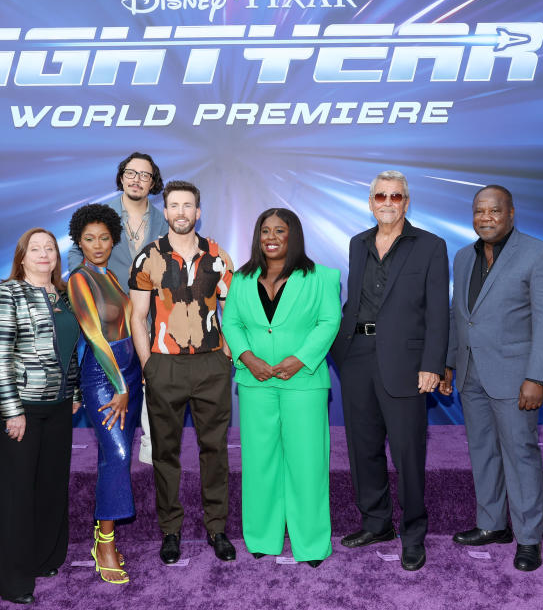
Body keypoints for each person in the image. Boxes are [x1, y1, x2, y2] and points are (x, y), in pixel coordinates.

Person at [438, 185, 543, 572]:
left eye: (494, 210)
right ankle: (492, 525)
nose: (486, 217)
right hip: (471, 373)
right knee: (482, 452)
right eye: (479, 211)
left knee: (520, 456)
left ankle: (528, 539)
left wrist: (537, 378)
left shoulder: (539, 254)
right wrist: (447, 363)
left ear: (511, 213)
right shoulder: (462, 257)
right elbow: (460, 314)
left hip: (516, 377)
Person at [330, 170, 449, 572]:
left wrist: (433, 364)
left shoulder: (431, 246)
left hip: (406, 362)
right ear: (370, 201)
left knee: (408, 453)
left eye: (396, 196)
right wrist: (341, 348)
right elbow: (356, 301)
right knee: (363, 450)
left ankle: (413, 533)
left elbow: (438, 311)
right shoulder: (358, 243)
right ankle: (376, 523)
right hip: (357, 355)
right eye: (380, 195)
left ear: (406, 202)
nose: (387, 202)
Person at [221, 208, 341, 567]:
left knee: (308, 463)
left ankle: (312, 543)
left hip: (303, 381)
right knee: (259, 463)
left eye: (279, 230)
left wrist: (301, 358)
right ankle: (261, 537)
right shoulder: (241, 279)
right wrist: (247, 357)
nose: (271, 237)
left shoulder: (322, 277)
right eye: (264, 231)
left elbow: (329, 321)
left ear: (294, 235)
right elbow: (232, 323)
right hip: (255, 382)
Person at [128, 180, 236, 564]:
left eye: (187, 205)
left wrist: (226, 356)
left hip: (211, 365)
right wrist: (149, 367)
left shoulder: (219, 257)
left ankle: (217, 528)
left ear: (198, 212)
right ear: (167, 211)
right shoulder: (148, 257)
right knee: (166, 453)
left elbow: (234, 314)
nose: (180, 212)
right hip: (165, 366)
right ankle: (170, 531)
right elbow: (137, 317)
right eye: (173, 205)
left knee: (215, 450)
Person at [0, 228, 82, 605]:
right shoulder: (5, 293)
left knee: (50, 486)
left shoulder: (66, 296)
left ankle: (45, 558)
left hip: (58, 407)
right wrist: (12, 410)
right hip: (20, 408)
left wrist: (73, 393)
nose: (44, 254)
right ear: (22, 256)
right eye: (35, 249)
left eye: (50, 248)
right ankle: (12, 579)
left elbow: (71, 350)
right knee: (17, 493)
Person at [67, 152, 168, 465]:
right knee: (112, 381)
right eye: (131, 172)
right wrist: (94, 290)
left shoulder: (163, 219)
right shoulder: (100, 213)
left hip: (152, 313)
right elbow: (75, 257)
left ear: (153, 182)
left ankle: (152, 448)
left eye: (145, 175)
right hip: (111, 318)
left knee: (154, 377)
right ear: (121, 176)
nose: (137, 179)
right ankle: (117, 451)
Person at [67, 204, 144, 584]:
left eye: (103, 238)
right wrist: (122, 386)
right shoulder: (79, 279)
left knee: (121, 454)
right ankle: (104, 540)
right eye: (88, 239)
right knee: (117, 452)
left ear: (113, 239)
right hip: (104, 375)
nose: (97, 245)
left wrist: (138, 375)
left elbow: (130, 323)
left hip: (129, 371)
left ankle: (108, 532)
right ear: (78, 241)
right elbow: (96, 336)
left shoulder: (112, 275)